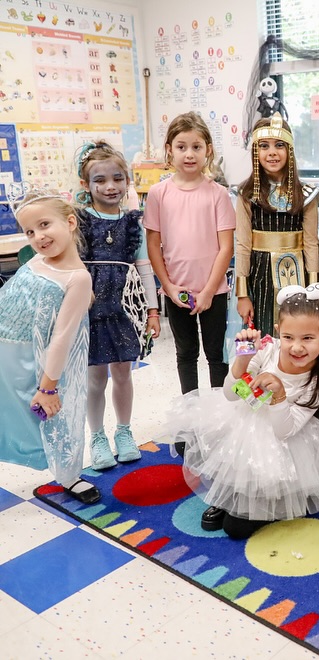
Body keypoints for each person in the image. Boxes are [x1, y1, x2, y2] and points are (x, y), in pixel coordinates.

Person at [170, 283, 319, 539]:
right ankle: (225, 495)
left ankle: (247, 502)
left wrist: (279, 395)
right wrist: (243, 358)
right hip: (242, 423)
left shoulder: (317, 382)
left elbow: (284, 431)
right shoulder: (268, 349)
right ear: (278, 333)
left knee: (236, 528)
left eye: (308, 338)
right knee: (194, 443)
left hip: (283, 444)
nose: (297, 347)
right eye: (288, 337)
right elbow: (231, 393)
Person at [0, 190, 99, 504]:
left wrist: (49, 387)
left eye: (44, 225)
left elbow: (62, 338)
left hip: (31, 361)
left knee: (54, 420)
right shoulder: (38, 262)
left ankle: (69, 475)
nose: (38, 236)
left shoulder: (77, 278)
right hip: (6, 353)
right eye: (30, 231)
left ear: (70, 222)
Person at [74, 141, 161, 470]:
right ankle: (97, 436)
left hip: (124, 309)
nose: (110, 186)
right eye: (100, 180)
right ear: (86, 185)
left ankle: (123, 432)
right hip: (90, 310)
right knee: (95, 378)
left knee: (124, 374)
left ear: (127, 180)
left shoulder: (132, 222)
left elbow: (145, 268)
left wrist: (153, 312)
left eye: (117, 178)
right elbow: (71, 264)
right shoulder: (79, 221)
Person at [144, 111, 235, 394]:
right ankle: (190, 418)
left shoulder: (218, 193)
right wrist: (168, 286)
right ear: (170, 150)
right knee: (185, 355)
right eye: (182, 147)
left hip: (214, 291)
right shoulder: (158, 194)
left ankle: (221, 418)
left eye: (196, 147)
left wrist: (208, 291)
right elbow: (153, 245)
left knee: (216, 356)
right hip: (176, 291)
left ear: (208, 150)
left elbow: (226, 247)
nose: (189, 154)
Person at [234, 113, 319, 337]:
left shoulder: (306, 194)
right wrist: (243, 294)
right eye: (264, 146)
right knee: (262, 338)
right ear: (256, 152)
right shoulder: (247, 194)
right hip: (259, 277)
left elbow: (312, 245)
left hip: (299, 277)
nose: (272, 152)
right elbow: (243, 245)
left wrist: (313, 288)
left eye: (279, 145)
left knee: (297, 335)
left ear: (290, 150)